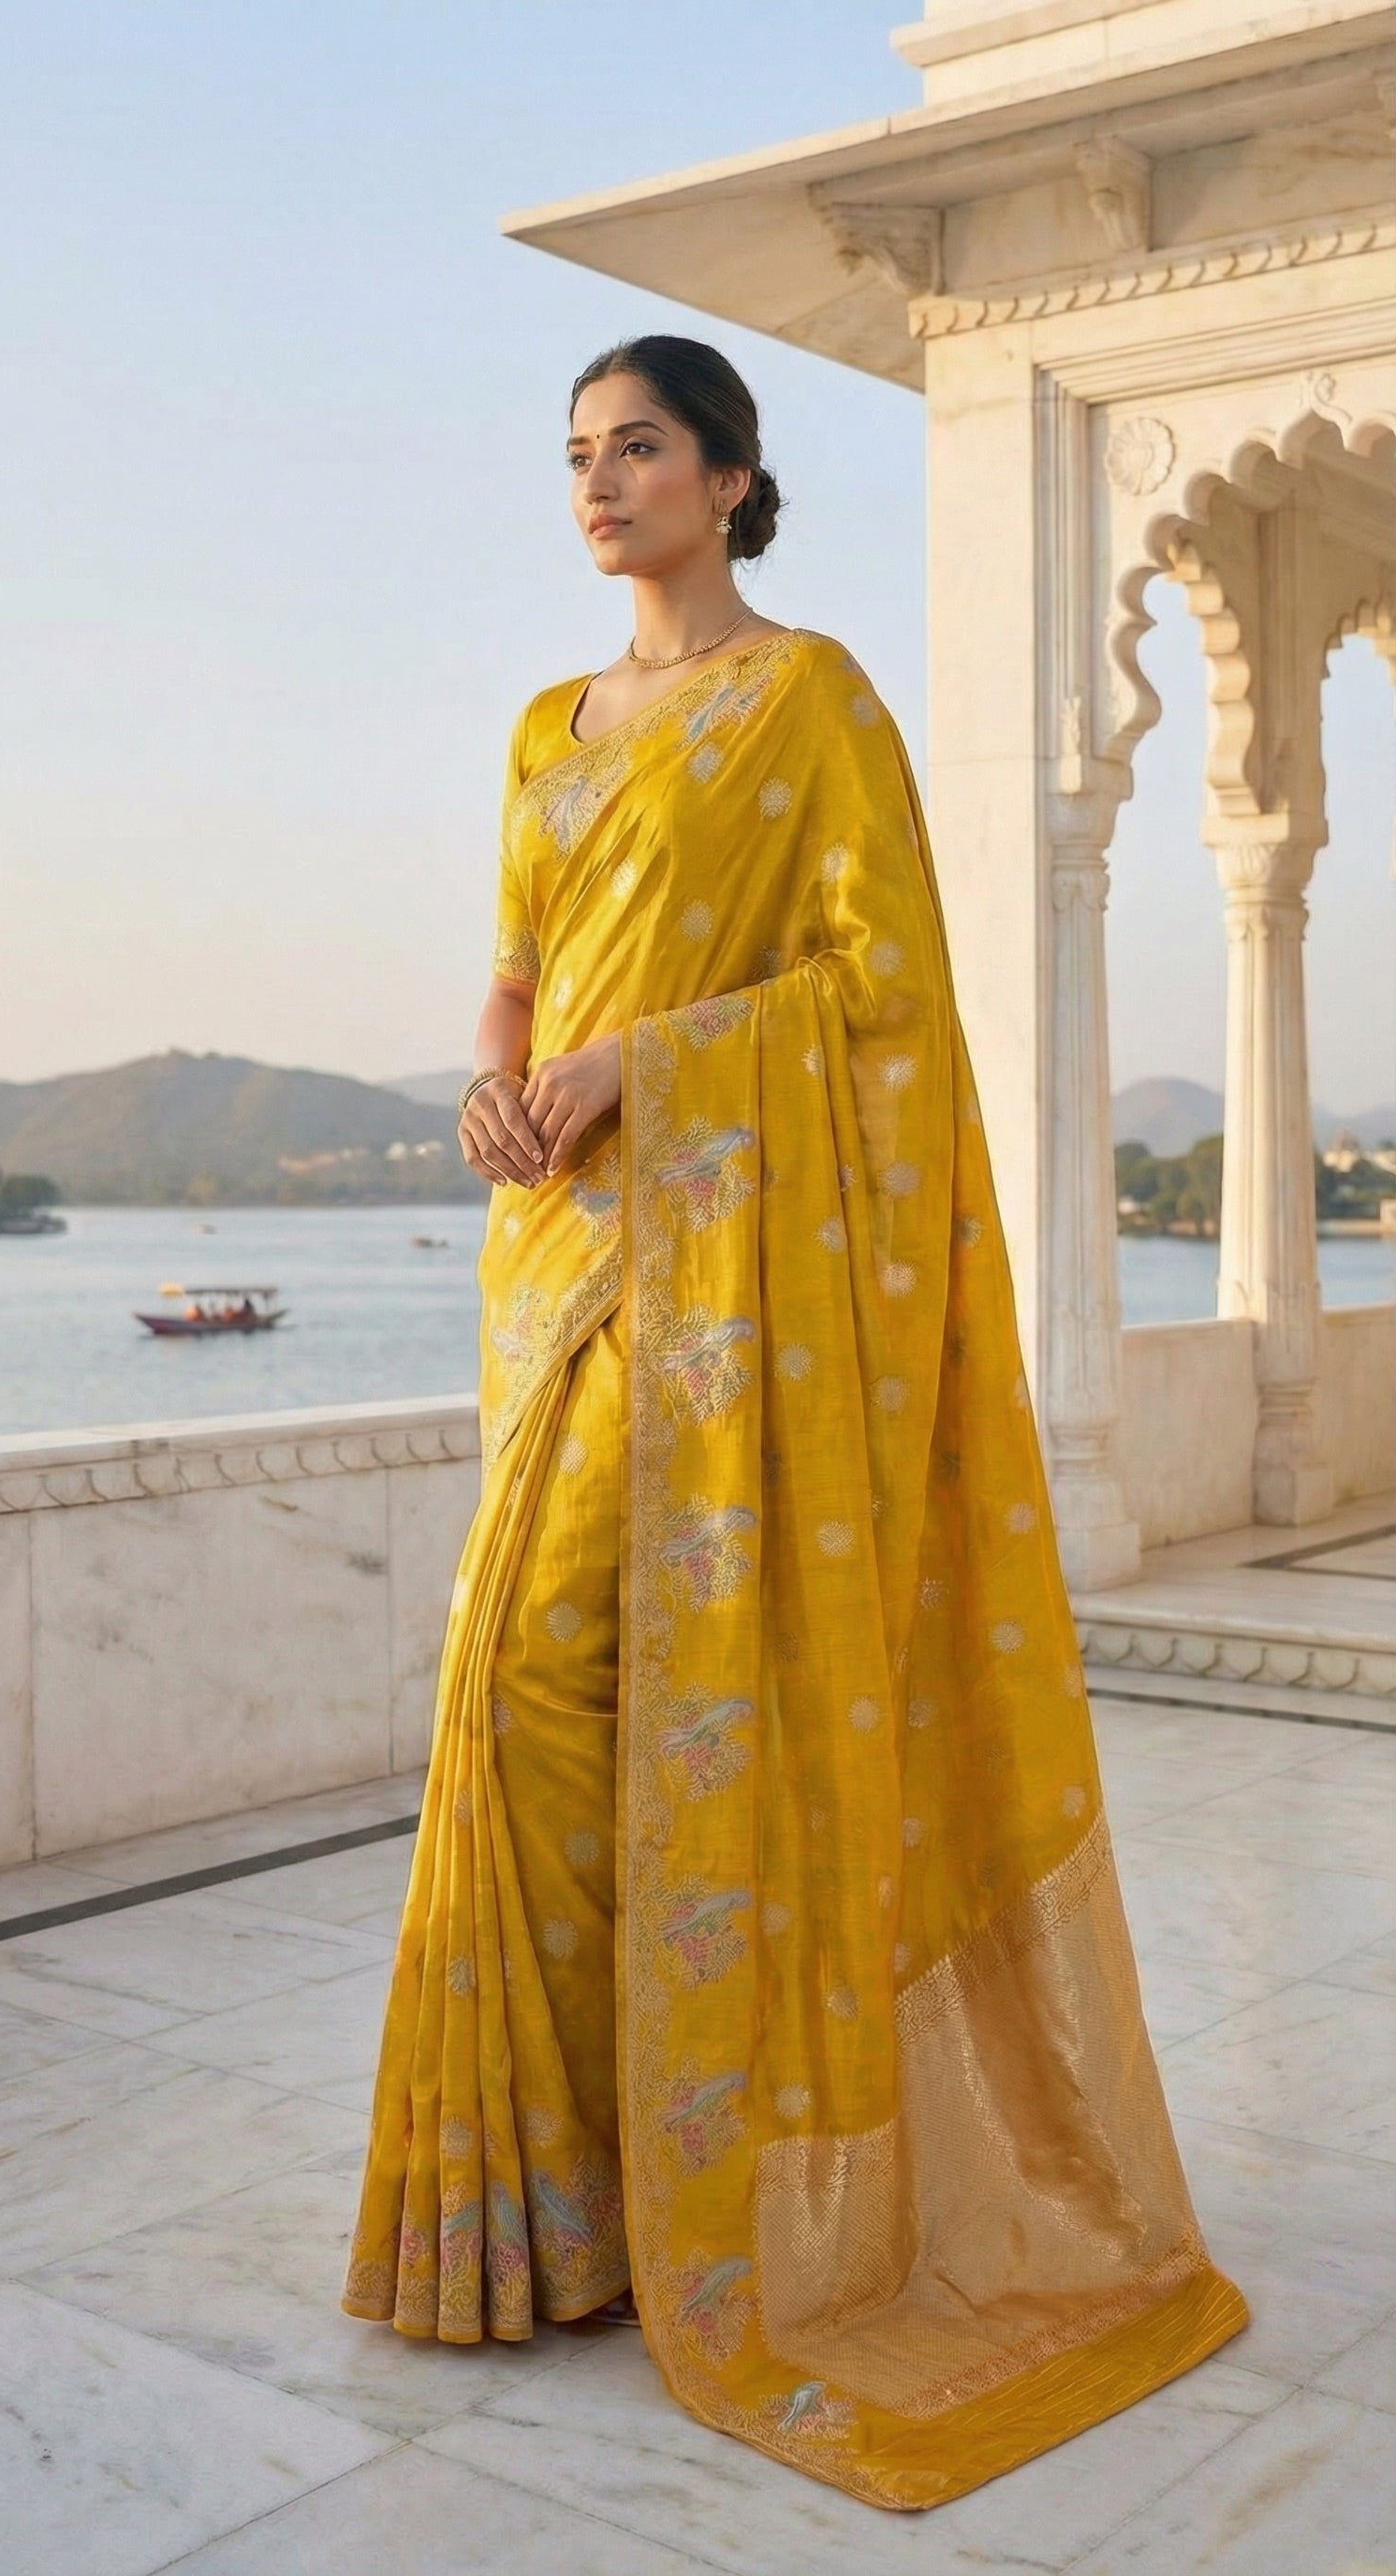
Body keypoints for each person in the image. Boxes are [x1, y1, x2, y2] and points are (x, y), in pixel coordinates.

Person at [342, 333, 1246, 2510]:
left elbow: (883, 992)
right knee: (519, 1696)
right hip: (554, 1261)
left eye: (640, 447)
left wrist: (654, 1064)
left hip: (710, 1279)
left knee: (571, 1677)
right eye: (577, 453)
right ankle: (550, 2202)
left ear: (736, 478)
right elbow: (520, 957)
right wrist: (497, 1070)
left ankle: (704, 2186)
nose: (599, 483)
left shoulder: (811, 701)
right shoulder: (547, 726)